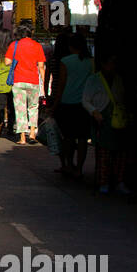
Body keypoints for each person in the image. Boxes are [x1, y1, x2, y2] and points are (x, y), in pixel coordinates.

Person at [82, 51, 130, 194]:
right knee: (104, 152)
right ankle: (103, 181)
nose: (112, 66)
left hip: (117, 117)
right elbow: (85, 100)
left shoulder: (118, 79)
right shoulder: (94, 79)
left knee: (120, 152)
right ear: (103, 64)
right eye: (110, 63)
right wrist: (94, 112)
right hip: (102, 118)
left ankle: (118, 181)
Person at [49, 32, 94, 177]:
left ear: (71, 46)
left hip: (67, 103)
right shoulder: (91, 62)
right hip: (85, 104)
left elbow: (61, 85)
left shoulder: (66, 61)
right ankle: (79, 168)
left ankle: (68, 164)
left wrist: (55, 105)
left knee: (68, 137)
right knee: (82, 138)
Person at [5, 19, 46, 146]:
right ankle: (32, 133)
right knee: (33, 107)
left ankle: (22, 137)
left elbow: (7, 61)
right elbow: (41, 66)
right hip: (33, 81)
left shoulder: (14, 45)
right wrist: (43, 84)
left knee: (20, 108)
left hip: (18, 81)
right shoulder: (37, 46)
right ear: (31, 32)